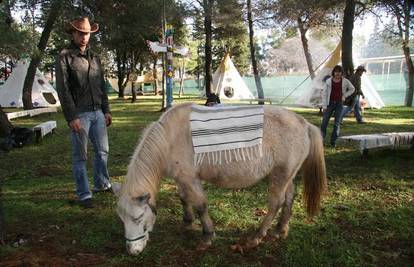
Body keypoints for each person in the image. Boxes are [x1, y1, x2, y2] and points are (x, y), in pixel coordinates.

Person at [55, 17, 112, 208]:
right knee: (80, 157)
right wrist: (71, 117)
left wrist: (107, 110)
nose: (84, 37)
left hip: (98, 113)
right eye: (80, 33)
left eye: (87, 33)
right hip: (80, 114)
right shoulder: (65, 56)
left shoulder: (95, 57)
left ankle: (102, 184)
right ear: (73, 33)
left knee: (102, 152)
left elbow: (101, 86)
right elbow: (63, 90)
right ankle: (84, 195)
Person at [320, 65, 355, 147]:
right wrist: (324, 106)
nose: (337, 73)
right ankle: (320, 140)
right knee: (324, 122)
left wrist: (345, 96)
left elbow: (352, 89)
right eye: (336, 71)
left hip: (339, 104)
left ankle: (333, 141)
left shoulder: (345, 81)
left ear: (341, 73)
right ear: (333, 72)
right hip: (330, 104)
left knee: (337, 123)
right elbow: (324, 94)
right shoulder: (328, 81)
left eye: (339, 72)